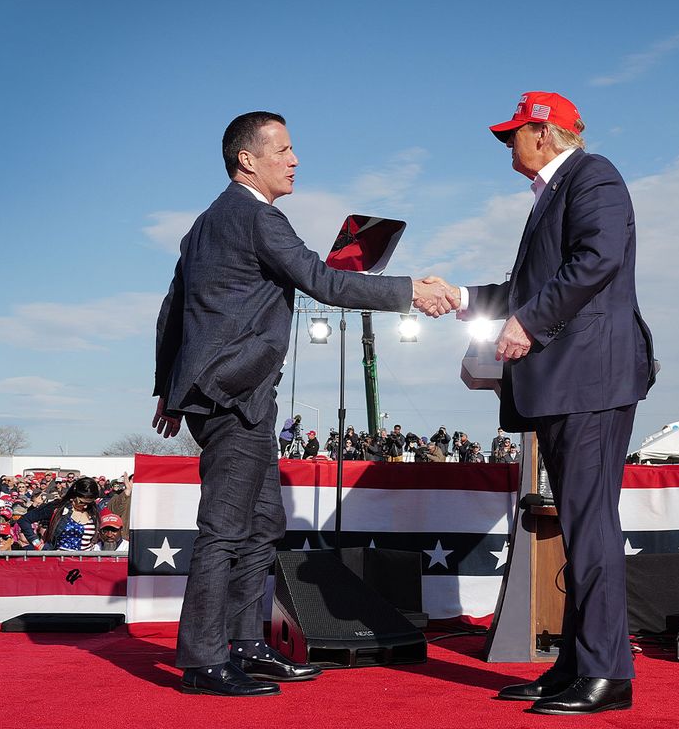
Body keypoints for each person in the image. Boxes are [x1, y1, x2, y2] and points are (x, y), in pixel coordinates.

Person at [152, 110, 454, 698]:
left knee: (263, 521)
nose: (295, 160)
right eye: (284, 150)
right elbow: (326, 282)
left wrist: (168, 387)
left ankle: (245, 645)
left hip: (223, 392)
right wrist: (410, 291)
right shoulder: (259, 218)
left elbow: (172, 310)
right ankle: (203, 660)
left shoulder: (204, 224)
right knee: (225, 528)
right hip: (233, 394)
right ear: (248, 160)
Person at [432, 92, 655, 715]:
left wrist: (527, 324)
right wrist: (462, 297)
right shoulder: (555, 194)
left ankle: (608, 673)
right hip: (569, 380)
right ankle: (576, 665)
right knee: (582, 526)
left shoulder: (595, 176)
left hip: (589, 379)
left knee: (589, 526)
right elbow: (526, 287)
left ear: (546, 133)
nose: (509, 145)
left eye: (514, 134)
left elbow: (597, 260)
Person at [16, 477, 103, 551]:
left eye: (89, 503)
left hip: (86, 563)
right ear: (74, 494)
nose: (85, 507)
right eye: (81, 502)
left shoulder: (95, 511)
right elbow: (24, 520)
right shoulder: (57, 507)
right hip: (58, 563)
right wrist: (37, 544)